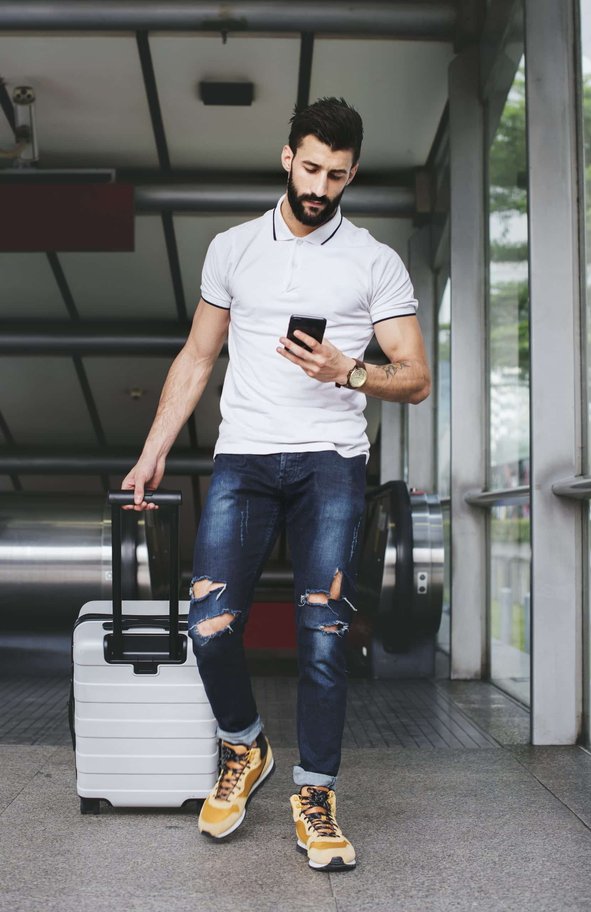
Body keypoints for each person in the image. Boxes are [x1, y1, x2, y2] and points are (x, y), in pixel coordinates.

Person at [122, 97, 430, 872]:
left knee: (323, 636)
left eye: (338, 173)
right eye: (312, 166)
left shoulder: (373, 261)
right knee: (208, 623)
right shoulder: (231, 249)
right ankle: (244, 744)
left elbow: (417, 377)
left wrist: (349, 369)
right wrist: (153, 448)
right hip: (245, 460)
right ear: (287, 157)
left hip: (330, 462)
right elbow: (198, 356)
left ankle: (316, 792)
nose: (321, 184)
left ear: (352, 173)